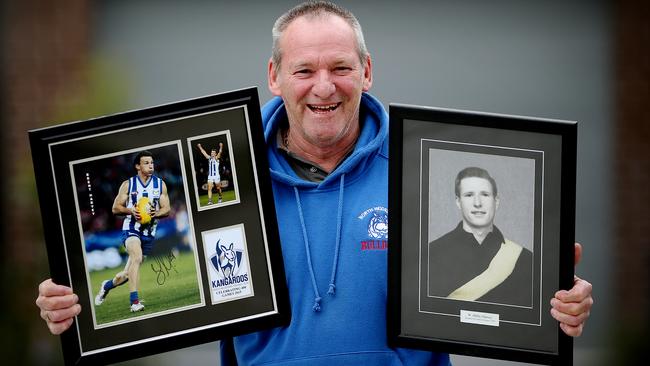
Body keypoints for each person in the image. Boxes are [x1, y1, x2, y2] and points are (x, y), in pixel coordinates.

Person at [35, 1, 593, 364]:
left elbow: (486, 282)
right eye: (304, 70)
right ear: (275, 77)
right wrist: (76, 304)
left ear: (366, 72)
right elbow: (170, 284)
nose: (323, 87)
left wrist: (553, 302)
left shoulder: (428, 169)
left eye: (341, 68)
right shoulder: (231, 180)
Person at [428, 167, 532, 306]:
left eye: (485, 194)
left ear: (496, 201)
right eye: (469, 195)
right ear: (458, 202)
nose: (477, 203)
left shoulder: (526, 260)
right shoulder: (431, 254)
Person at [94, 151, 171, 312]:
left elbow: (167, 209)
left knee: (128, 274)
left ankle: (107, 285)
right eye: (146, 163)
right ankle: (134, 302)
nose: (151, 166)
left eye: (152, 162)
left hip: (149, 234)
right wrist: (131, 211)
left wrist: (154, 214)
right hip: (131, 230)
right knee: (136, 257)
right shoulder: (128, 185)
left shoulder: (160, 184)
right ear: (138, 166)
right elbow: (115, 208)